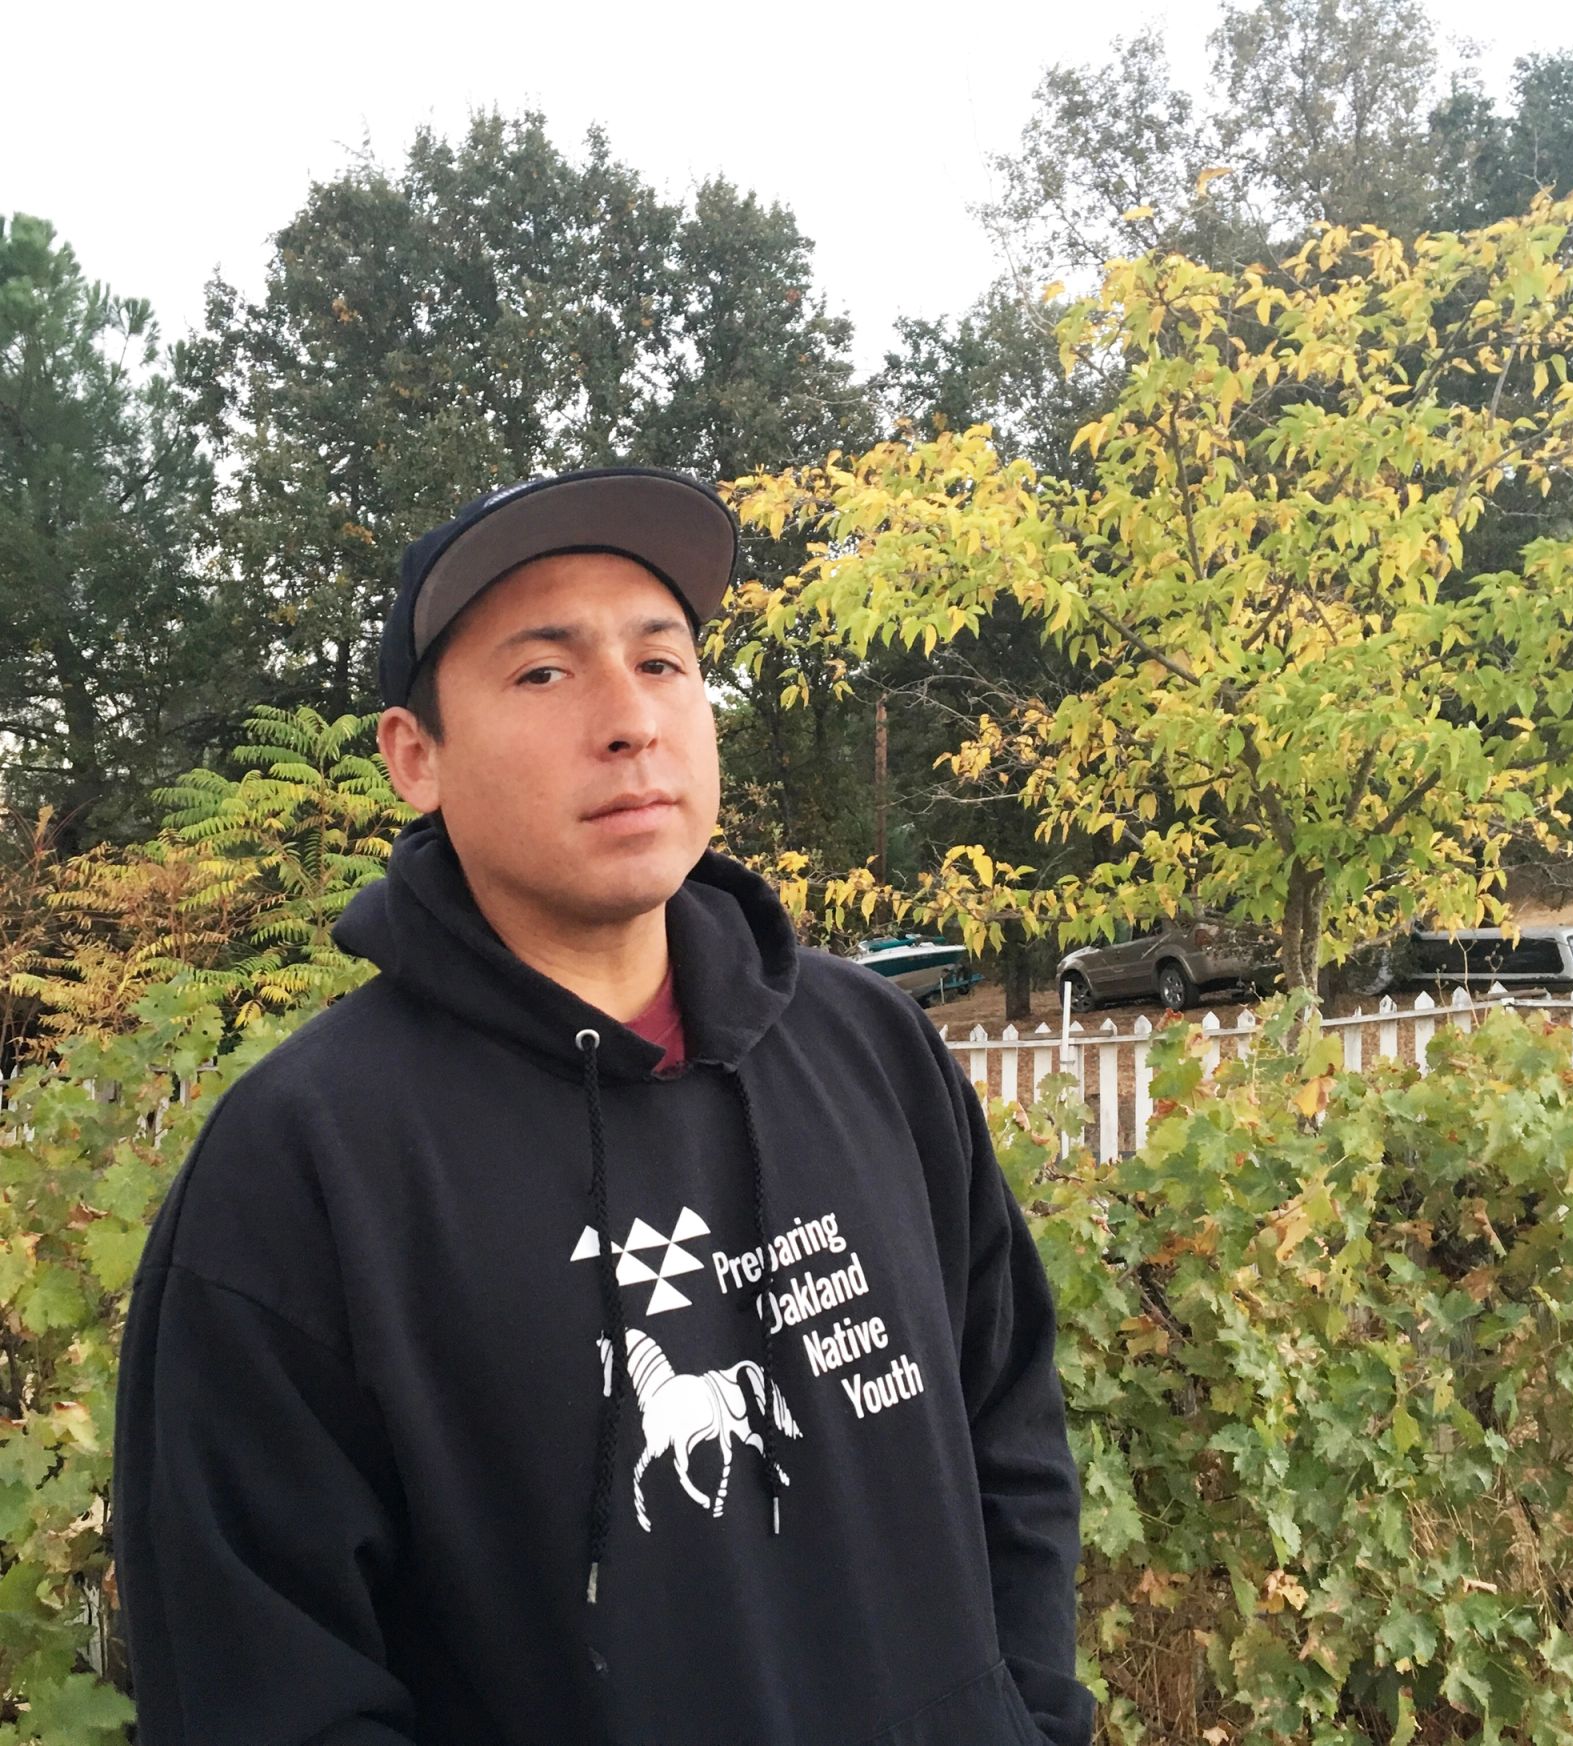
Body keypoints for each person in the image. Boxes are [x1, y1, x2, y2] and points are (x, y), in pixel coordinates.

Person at [113, 466, 1097, 1745]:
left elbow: (1009, 1431)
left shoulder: (872, 1049)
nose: (630, 719)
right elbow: (259, 1683)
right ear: (415, 757)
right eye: (543, 671)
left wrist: (1028, 1717)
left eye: (662, 662)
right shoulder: (304, 1163)